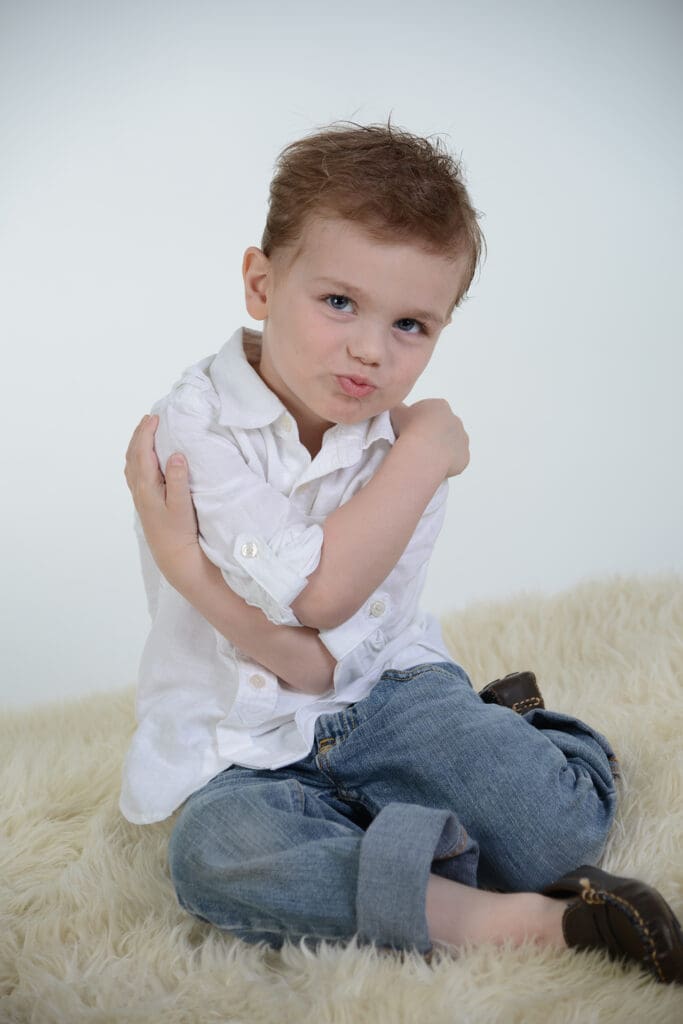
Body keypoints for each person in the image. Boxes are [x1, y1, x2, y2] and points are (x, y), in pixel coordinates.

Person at [121, 121, 683, 983]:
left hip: (385, 687)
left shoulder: (403, 449)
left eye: (412, 324)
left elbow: (331, 643)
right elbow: (313, 605)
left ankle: (526, 734)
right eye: (338, 302)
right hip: (237, 738)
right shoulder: (193, 428)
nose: (371, 350)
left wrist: (415, 455)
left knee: (554, 826)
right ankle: (523, 924)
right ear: (261, 283)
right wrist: (187, 570)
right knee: (215, 852)